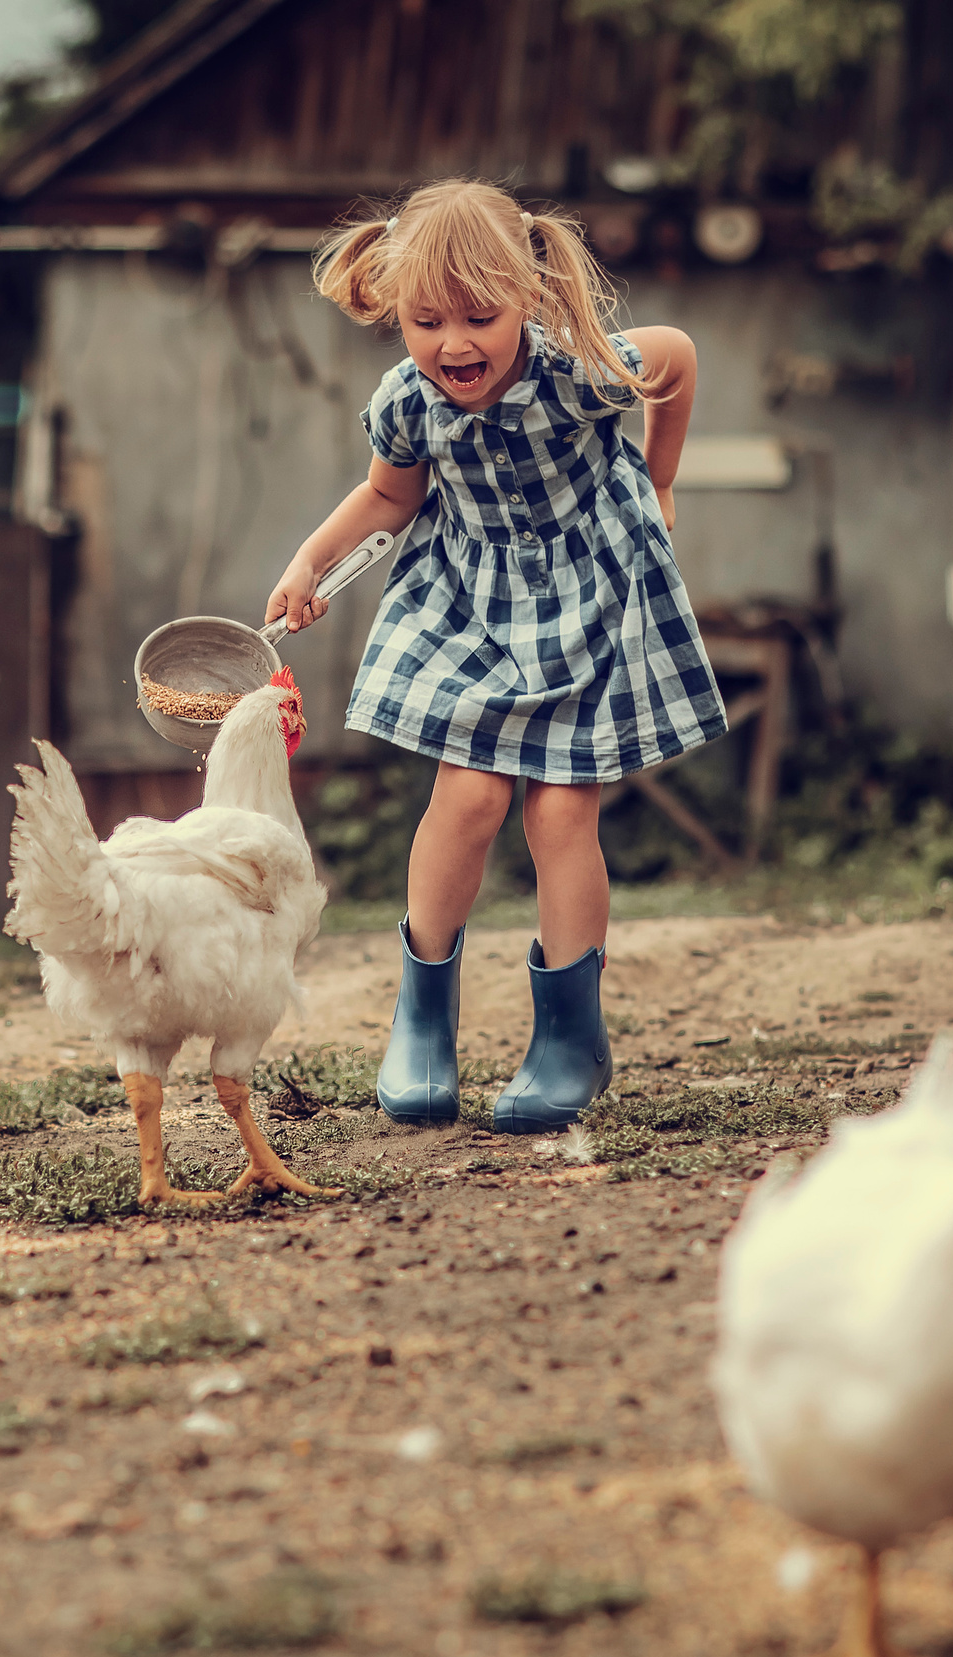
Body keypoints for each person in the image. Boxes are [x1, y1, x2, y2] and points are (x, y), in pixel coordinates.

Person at [266, 178, 726, 1133]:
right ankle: (422, 1020)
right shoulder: (407, 402)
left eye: (481, 316)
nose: (454, 344)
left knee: (561, 813)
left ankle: (569, 1039)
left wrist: (662, 479)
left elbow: (675, 359)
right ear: (396, 314)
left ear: (528, 297)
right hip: (472, 600)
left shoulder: (580, 373)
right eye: (427, 321)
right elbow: (390, 499)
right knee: (468, 796)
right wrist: (311, 560)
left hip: (588, 597)